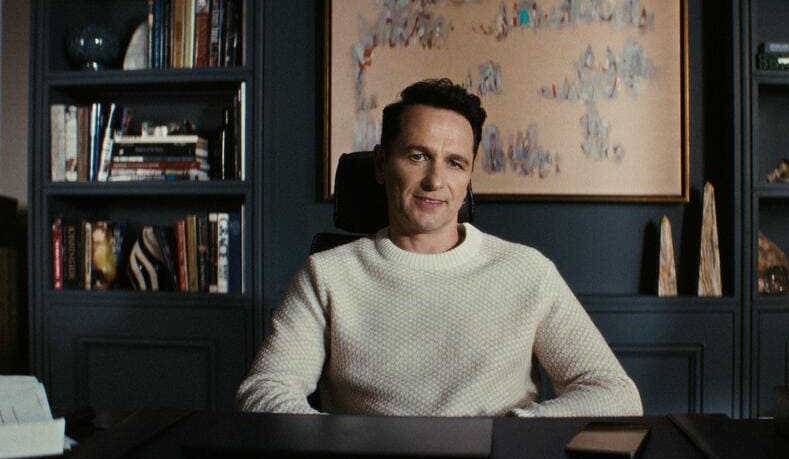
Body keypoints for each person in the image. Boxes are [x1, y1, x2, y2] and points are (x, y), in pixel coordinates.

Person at [236, 79, 642, 417]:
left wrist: (521, 429)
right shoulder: (326, 274)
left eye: (455, 163)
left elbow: (615, 394)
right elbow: (263, 391)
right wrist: (347, 444)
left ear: (468, 176)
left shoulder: (527, 271)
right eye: (418, 156)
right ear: (381, 164)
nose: (435, 181)